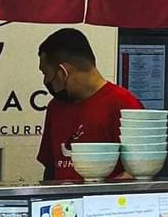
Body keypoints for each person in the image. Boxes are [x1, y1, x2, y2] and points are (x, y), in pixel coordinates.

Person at [36, 28, 142, 182]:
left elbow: (140, 171)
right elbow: (51, 167)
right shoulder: (55, 107)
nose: (46, 81)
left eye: (46, 73)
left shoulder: (124, 104)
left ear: (63, 72)